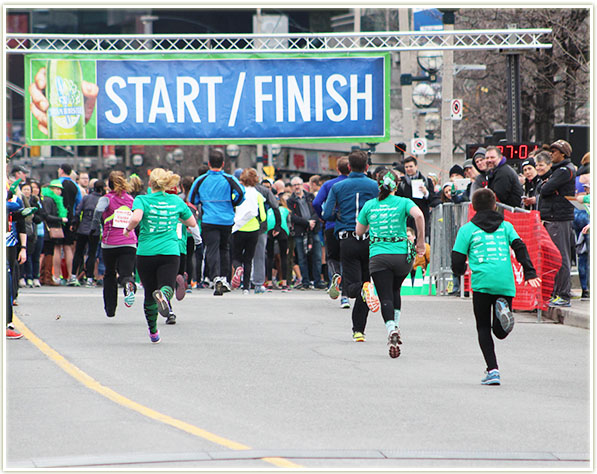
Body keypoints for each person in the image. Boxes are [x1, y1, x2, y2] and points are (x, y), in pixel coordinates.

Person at [452, 188, 541, 385]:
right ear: (495, 205)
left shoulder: (467, 230)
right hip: (505, 282)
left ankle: (493, 371)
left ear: (473, 207)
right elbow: (520, 247)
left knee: (483, 328)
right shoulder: (506, 226)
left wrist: (459, 270)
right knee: (499, 332)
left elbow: (457, 260)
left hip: (483, 282)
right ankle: (503, 308)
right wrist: (529, 272)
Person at [124, 169, 201, 342]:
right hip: (169, 251)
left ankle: (153, 332)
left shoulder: (141, 199)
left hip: (146, 252)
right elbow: (192, 222)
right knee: (168, 285)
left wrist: (128, 229)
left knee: (149, 293)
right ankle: (164, 296)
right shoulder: (175, 201)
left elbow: (136, 219)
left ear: (150, 183)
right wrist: (174, 217)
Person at [355, 171, 426, 357]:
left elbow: (359, 231)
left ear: (378, 185)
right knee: (396, 291)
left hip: (379, 255)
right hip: (403, 255)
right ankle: (396, 324)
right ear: (396, 185)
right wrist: (420, 242)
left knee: (385, 295)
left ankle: (391, 329)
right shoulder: (404, 202)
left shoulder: (370, 205)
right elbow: (419, 216)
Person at [322, 150, 379, 342]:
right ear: (367, 167)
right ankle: (359, 330)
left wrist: (339, 214)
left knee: (352, 285)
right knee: (365, 281)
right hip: (369, 239)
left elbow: (326, 213)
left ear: (348, 167)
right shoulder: (374, 186)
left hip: (347, 237)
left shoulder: (338, 187)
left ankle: (356, 289)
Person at [188, 149, 245, 296]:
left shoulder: (201, 180)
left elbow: (192, 199)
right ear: (223, 164)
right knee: (224, 248)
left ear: (208, 164)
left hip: (209, 219)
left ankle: (215, 278)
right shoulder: (229, 178)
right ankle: (224, 278)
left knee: (211, 249)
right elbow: (241, 193)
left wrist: (201, 203)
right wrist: (233, 202)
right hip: (226, 219)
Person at [90, 171, 138, 318]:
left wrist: (95, 226)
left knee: (109, 273)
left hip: (110, 242)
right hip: (129, 241)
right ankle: (129, 285)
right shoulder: (131, 199)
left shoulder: (107, 199)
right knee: (126, 273)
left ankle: (110, 309)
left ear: (108, 185)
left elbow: (98, 211)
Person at [539, 139, 576, 308]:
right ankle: (555, 292)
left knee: (561, 257)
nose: (551, 154)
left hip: (559, 218)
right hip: (552, 217)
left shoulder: (563, 170)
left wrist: (548, 186)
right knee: (553, 258)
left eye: (554, 152)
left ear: (563, 154)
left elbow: (545, 190)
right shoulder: (556, 171)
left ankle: (563, 294)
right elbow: (545, 188)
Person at [313, 156, 350, 308]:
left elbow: (316, 202)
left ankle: (335, 275)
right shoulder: (353, 184)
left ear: (337, 169)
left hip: (330, 225)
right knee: (348, 260)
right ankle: (345, 297)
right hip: (349, 225)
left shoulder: (329, 184)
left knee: (332, 257)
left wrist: (322, 217)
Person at [230, 168, 266, 295]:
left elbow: (233, 207)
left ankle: (238, 268)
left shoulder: (237, 193)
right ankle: (246, 288)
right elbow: (263, 216)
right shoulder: (258, 195)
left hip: (238, 228)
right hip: (254, 229)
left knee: (236, 256)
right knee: (249, 259)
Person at [287, 176, 325, 289]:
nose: (297, 187)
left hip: (314, 230)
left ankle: (318, 281)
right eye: (294, 185)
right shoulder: (290, 200)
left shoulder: (310, 196)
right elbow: (292, 216)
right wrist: (306, 222)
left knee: (317, 256)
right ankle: (305, 281)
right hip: (300, 231)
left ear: (302, 184)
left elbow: (316, 210)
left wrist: (312, 221)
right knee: (302, 258)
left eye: (298, 184)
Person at [69, 179, 105, 286]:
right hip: (95, 229)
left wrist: (75, 223)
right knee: (92, 254)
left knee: (78, 252)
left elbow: (78, 211)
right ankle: (89, 277)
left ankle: (73, 276)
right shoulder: (102, 200)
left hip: (82, 228)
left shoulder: (86, 198)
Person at [38, 180, 69, 286]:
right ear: (51, 189)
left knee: (48, 252)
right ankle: (46, 277)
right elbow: (46, 215)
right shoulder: (48, 200)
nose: (59, 191)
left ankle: (44, 276)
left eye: (60, 189)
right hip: (48, 231)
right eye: (57, 189)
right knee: (48, 253)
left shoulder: (51, 199)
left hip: (49, 230)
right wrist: (60, 219)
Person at [397, 156, 434, 241]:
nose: (408, 169)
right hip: (407, 219)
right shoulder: (401, 183)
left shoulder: (426, 181)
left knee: (422, 242)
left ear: (416, 166)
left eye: (411, 166)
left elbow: (432, 199)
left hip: (422, 216)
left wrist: (426, 193)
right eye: (406, 167)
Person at [56, 163, 82, 282]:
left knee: (56, 247)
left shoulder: (56, 184)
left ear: (61, 171)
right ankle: (71, 276)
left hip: (57, 217)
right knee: (68, 247)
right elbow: (79, 202)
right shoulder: (75, 185)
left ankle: (56, 276)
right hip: (70, 217)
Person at [266, 196, 291, 291]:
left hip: (269, 228)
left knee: (269, 256)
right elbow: (289, 224)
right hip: (282, 229)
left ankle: (269, 283)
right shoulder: (285, 210)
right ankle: (284, 283)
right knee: (283, 256)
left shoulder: (269, 210)